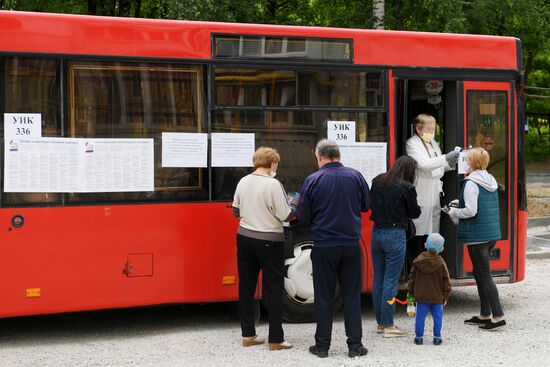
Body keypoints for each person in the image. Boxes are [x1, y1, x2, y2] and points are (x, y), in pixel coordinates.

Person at [296, 139, 370, 359]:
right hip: (350, 245)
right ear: (338, 155)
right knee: (351, 296)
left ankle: (322, 347)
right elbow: (366, 205)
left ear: (319, 157)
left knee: (324, 296)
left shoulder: (312, 179)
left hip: (324, 246)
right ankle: (355, 346)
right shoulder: (356, 176)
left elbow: (303, 215)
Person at [232, 147, 294, 350]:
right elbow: (285, 214)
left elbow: (235, 211)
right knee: (273, 289)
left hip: (244, 238)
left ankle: (248, 335)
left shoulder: (243, 181)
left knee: (246, 287)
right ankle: (276, 339)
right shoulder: (273, 184)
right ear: (273, 163)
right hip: (269, 241)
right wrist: (293, 204)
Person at [446, 147, 505, 331]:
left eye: (468, 159)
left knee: (484, 276)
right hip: (490, 234)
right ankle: (484, 314)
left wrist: (454, 211)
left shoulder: (471, 182)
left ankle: (498, 316)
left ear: (472, 163)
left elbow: (471, 211)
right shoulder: (490, 179)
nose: (466, 162)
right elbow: (478, 204)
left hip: (477, 236)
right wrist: (460, 203)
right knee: (480, 274)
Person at [370, 156, 421, 338]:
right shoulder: (407, 187)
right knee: (391, 281)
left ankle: (380, 324)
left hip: (376, 233)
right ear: (409, 170)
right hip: (395, 234)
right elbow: (415, 212)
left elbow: (371, 204)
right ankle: (388, 326)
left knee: (379, 279)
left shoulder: (378, 181)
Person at [406, 114, 459, 269]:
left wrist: (451, 163)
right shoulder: (412, 143)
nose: (431, 131)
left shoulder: (432, 143)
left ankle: (429, 269)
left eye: (433, 128)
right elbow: (423, 164)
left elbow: (438, 166)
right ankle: (416, 268)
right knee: (419, 232)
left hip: (434, 191)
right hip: (421, 190)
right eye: (428, 128)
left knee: (431, 233)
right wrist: (445, 157)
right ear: (418, 128)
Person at [408, 233, 452, 346]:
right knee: (438, 318)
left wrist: (411, 293)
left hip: (421, 297)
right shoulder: (441, 263)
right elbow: (446, 281)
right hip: (437, 297)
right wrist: (446, 296)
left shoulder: (418, 261)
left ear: (425, 245)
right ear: (442, 249)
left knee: (420, 317)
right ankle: (437, 338)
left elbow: (411, 279)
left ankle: (419, 338)